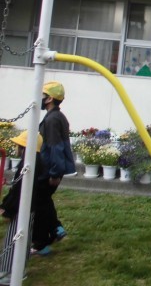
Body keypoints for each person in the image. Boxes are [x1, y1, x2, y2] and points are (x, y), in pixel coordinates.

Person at [33, 81, 76, 254]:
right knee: (43, 202)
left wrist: (55, 173)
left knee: (38, 204)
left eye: (42, 95)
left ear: (49, 98)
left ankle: (42, 243)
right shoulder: (56, 116)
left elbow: (55, 147)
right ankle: (55, 231)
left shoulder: (52, 119)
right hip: (50, 168)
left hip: (49, 169)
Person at [0, 131, 44, 284]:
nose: (16, 148)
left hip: (21, 207)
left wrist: (7, 208)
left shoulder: (28, 164)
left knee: (14, 239)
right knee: (23, 238)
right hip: (28, 206)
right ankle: (20, 269)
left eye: (18, 145)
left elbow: (19, 190)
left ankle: (9, 272)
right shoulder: (34, 161)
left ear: (24, 146)